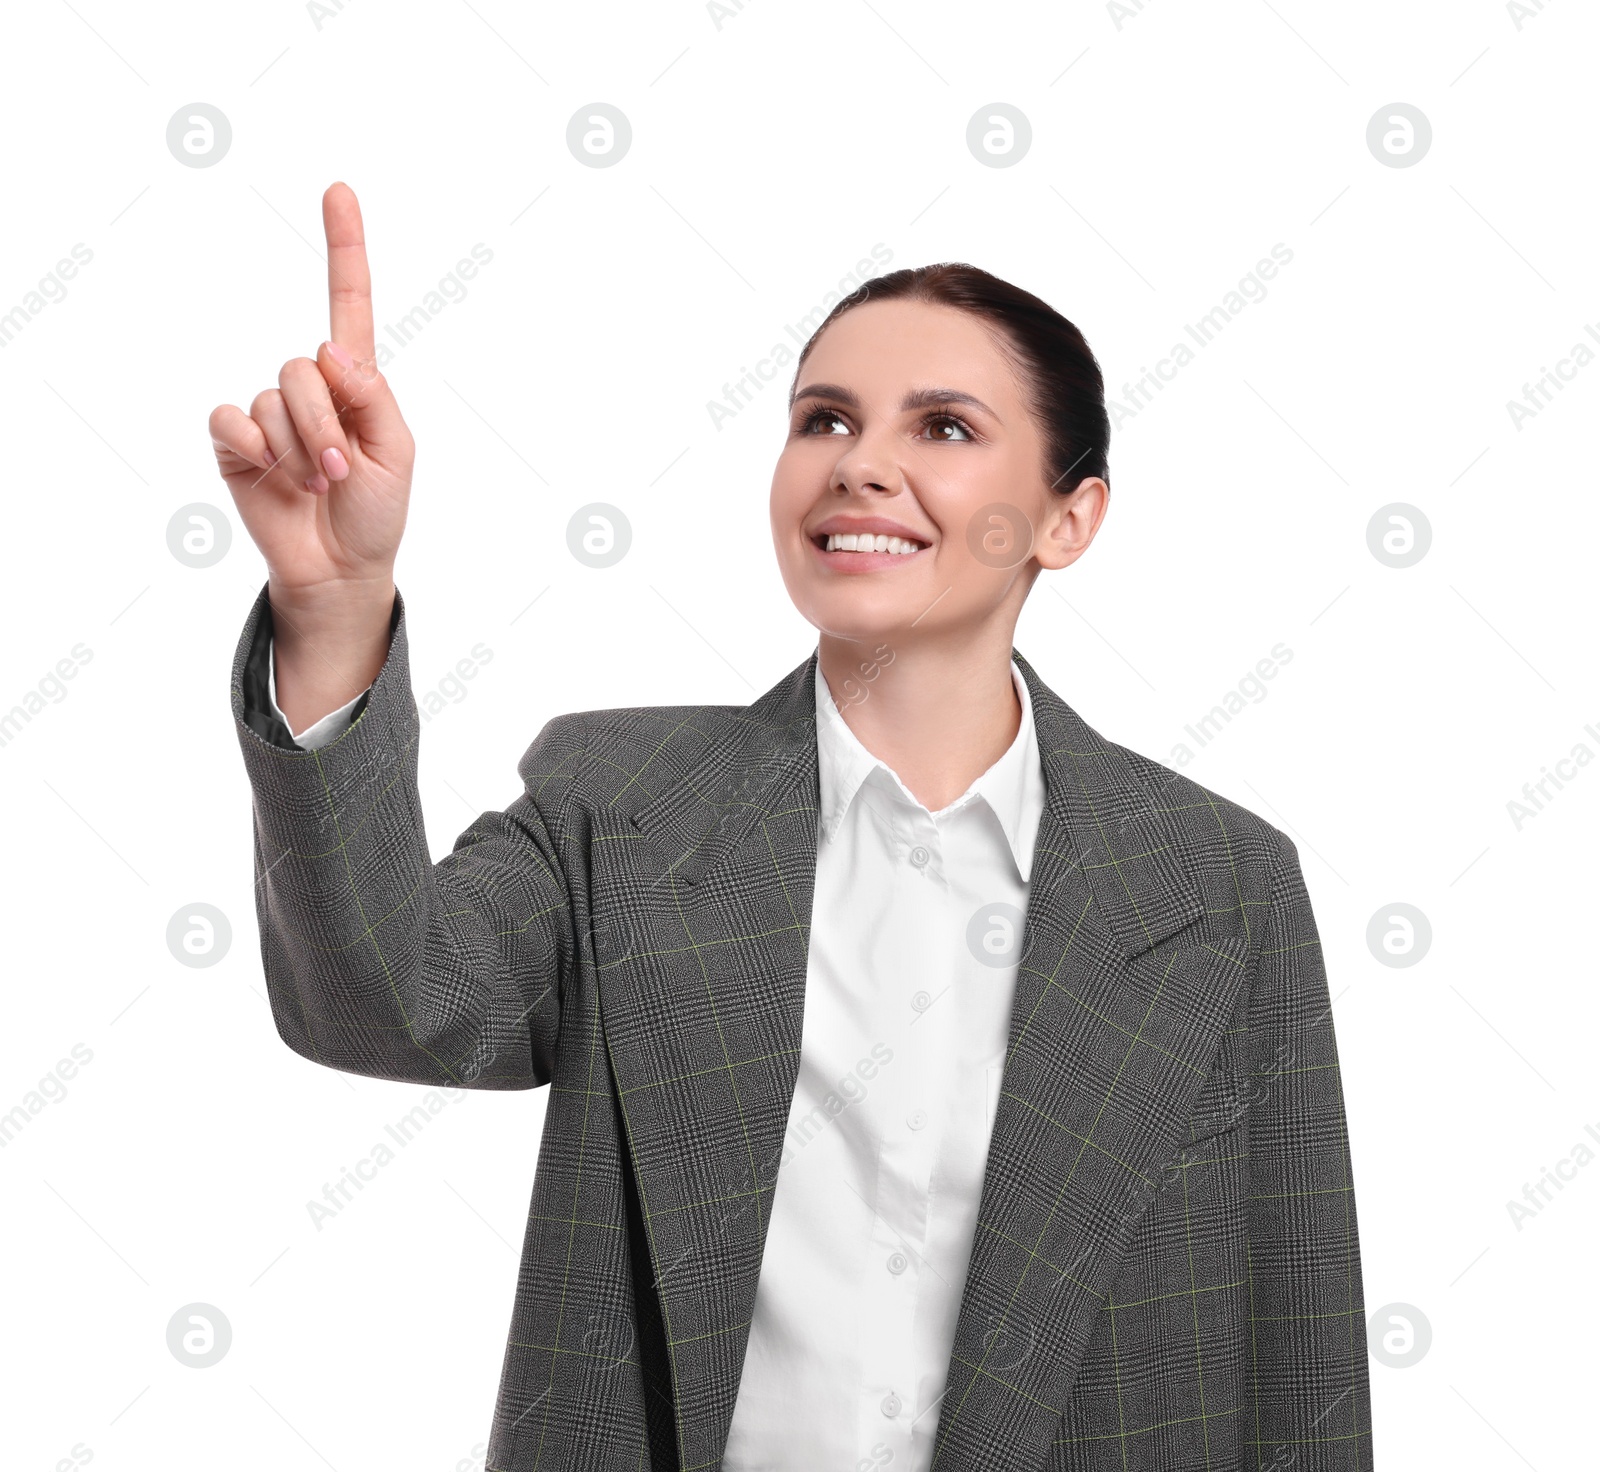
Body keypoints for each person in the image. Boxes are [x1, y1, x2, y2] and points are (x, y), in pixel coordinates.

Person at [213, 183, 1373, 1471]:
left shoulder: (1217, 883)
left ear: (1069, 517)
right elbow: (383, 998)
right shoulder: (625, 802)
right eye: (823, 418)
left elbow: (1294, 1351)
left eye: (943, 426)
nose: (859, 462)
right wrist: (334, 608)